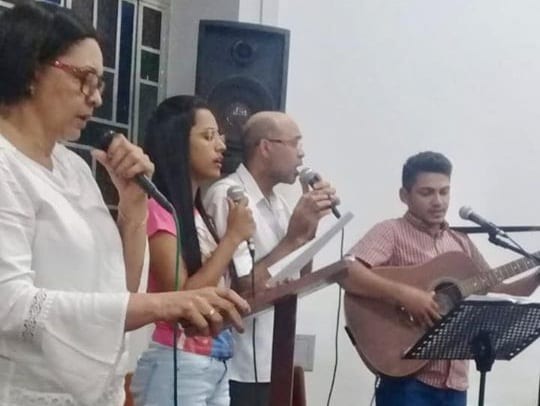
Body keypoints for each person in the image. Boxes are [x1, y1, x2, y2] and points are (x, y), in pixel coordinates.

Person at [0, 4, 249, 405]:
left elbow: (119, 289)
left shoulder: (73, 168)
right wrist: (164, 303)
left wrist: (133, 210)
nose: (97, 97)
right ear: (31, 70)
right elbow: (10, 307)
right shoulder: (5, 166)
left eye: (99, 83)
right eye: (85, 79)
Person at [341, 151, 540, 406]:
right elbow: (347, 271)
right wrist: (406, 295)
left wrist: (536, 277)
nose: (438, 201)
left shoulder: (460, 242)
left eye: (444, 192)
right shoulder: (391, 232)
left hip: (455, 383)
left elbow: (500, 292)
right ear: (405, 195)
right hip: (408, 380)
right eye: (427, 193)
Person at [203, 111, 339, 406]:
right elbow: (244, 289)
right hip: (237, 366)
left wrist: (309, 228)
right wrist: (293, 239)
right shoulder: (228, 197)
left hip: (274, 361)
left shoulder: (280, 205)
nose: (302, 153)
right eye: (295, 143)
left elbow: (300, 278)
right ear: (265, 147)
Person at [129, 95, 255, 406]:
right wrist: (232, 238)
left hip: (216, 358)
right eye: (208, 137)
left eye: (220, 136)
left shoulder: (197, 214)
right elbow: (181, 298)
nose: (221, 146)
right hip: (178, 360)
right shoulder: (158, 211)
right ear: (177, 144)